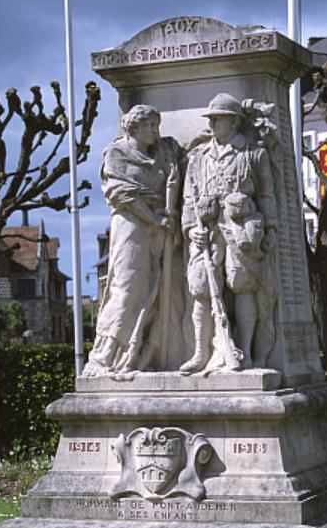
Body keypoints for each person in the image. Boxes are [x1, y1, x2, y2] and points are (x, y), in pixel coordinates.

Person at [180, 93, 278, 373]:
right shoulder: (198, 157)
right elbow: (189, 199)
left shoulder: (253, 154)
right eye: (210, 119)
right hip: (207, 231)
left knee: (241, 285)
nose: (211, 124)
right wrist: (190, 231)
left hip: (241, 230)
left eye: (218, 118)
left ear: (234, 122)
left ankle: (243, 351)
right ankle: (201, 353)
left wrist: (271, 228)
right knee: (200, 288)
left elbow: (266, 194)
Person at [84, 105, 182, 375]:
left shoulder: (160, 154)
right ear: (134, 127)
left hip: (155, 232)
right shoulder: (117, 154)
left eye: (157, 125)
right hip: (132, 229)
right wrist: (155, 218)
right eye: (150, 125)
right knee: (126, 288)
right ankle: (104, 356)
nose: (156, 131)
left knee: (150, 289)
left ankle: (135, 352)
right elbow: (121, 194)